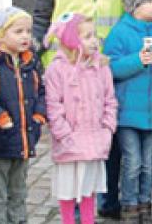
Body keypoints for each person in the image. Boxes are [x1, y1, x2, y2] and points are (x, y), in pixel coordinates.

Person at [32, 0, 135, 219]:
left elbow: (140, 0)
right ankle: (73, 206)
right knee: (72, 140)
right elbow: (41, 15)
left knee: (109, 134)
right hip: (68, 72)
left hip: (109, 66)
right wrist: (31, 51)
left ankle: (107, 199)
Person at [0, 7, 47, 224]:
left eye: (28, 31)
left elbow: (41, 90)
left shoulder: (30, 61)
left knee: (19, 192)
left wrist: (40, 114)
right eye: (18, 31)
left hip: (23, 137)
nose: (25, 36)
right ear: (1, 35)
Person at [103, 0, 152, 223]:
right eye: (151, 0)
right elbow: (110, 67)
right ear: (134, 6)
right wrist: (138, 60)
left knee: (149, 162)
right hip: (127, 112)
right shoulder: (120, 32)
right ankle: (128, 204)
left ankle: (145, 202)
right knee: (132, 161)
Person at [44, 13, 118, 224]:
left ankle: (88, 220)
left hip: (95, 138)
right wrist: (64, 134)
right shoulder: (57, 69)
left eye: (94, 35)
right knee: (67, 190)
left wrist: (107, 128)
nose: (94, 40)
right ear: (71, 40)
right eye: (87, 36)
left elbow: (110, 100)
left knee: (89, 188)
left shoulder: (100, 67)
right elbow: (53, 105)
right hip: (69, 141)